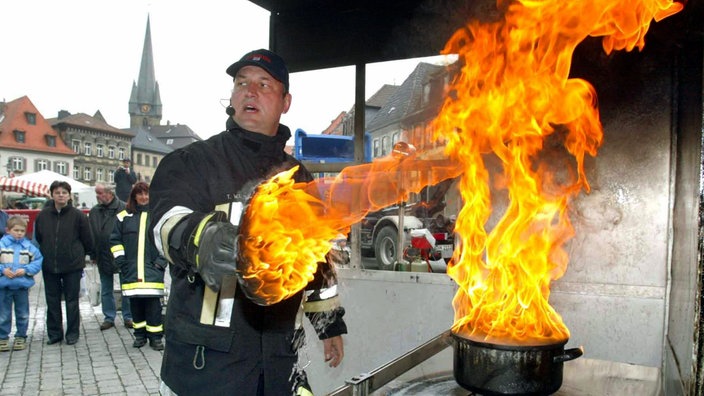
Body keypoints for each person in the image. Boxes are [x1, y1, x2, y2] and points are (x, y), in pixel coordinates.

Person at [150, 48, 347, 395]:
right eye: (241, 83)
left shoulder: (299, 178)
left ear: (286, 101)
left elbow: (317, 260)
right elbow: (167, 223)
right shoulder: (192, 162)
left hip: (278, 363)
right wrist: (203, 239)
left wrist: (328, 325)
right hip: (208, 365)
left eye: (263, 84)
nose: (249, 91)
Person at [34, 181, 93, 345]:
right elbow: (39, 237)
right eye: (57, 192)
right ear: (51, 194)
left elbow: (87, 238)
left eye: (64, 192)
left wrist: (85, 255)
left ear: (69, 195)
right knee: (52, 300)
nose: (61, 195)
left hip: (72, 265)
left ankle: (72, 333)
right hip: (49, 265)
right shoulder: (43, 215)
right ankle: (54, 333)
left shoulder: (78, 215)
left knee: (72, 300)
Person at [110, 182, 166, 351]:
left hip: (152, 269)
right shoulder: (123, 217)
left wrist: (160, 263)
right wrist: (121, 262)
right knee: (135, 305)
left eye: (147, 194)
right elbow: (115, 241)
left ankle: (155, 338)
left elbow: (166, 242)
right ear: (134, 196)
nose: (144, 197)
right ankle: (140, 335)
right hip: (131, 269)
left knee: (153, 306)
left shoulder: (158, 216)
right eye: (140, 194)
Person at [88, 183, 132, 330]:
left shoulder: (124, 208)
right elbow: (92, 234)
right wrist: (93, 254)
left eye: (100, 193)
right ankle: (109, 317)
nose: (97, 196)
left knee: (126, 287)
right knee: (106, 288)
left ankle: (128, 316)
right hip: (102, 254)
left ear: (109, 193)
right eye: (97, 193)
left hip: (121, 254)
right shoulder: (95, 211)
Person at [0, 215, 43, 351]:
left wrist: (26, 270)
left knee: (23, 313)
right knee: (3, 313)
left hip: (21, 286)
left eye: (22, 231)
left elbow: (37, 261)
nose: (19, 233)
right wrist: (2, 270)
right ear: (8, 230)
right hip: (4, 285)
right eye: (16, 230)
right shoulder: (2, 245)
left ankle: (21, 336)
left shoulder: (28, 247)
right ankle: (2, 337)